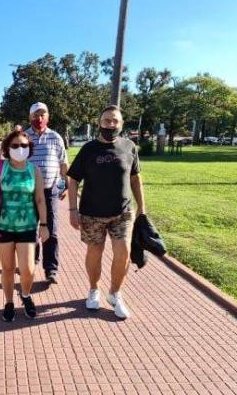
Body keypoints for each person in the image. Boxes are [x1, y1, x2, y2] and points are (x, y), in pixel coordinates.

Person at [67, 105, 145, 319]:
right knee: (95, 252)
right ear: (99, 122)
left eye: (115, 121)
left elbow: (135, 179)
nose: (111, 124)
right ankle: (93, 289)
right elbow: (73, 179)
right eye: (107, 120)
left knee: (124, 252)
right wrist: (73, 209)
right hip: (92, 213)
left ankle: (115, 293)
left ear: (121, 124)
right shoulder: (88, 149)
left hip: (122, 212)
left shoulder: (129, 147)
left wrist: (142, 208)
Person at [0, 131, 49, 321]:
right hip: (3, 227)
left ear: (30, 148)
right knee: (8, 268)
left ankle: (25, 295)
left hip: (27, 227)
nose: (20, 149)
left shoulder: (33, 170)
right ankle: (9, 302)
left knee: (28, 270)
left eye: (24, 145)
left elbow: (40, 200)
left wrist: (44, 225)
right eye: (16, 146)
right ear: (7, 148)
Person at [25, 102, 68, 284]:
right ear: (30, 118)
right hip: (28, 191)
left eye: (43, 114)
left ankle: (51, 269)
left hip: (50, 192)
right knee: (29, 230)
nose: (39, 118)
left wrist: (64, 184)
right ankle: (31, 262)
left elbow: (63, 163)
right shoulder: (24, 137)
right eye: (36, 115)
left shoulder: (55, 137)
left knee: (51, 229)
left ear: (48, 117)